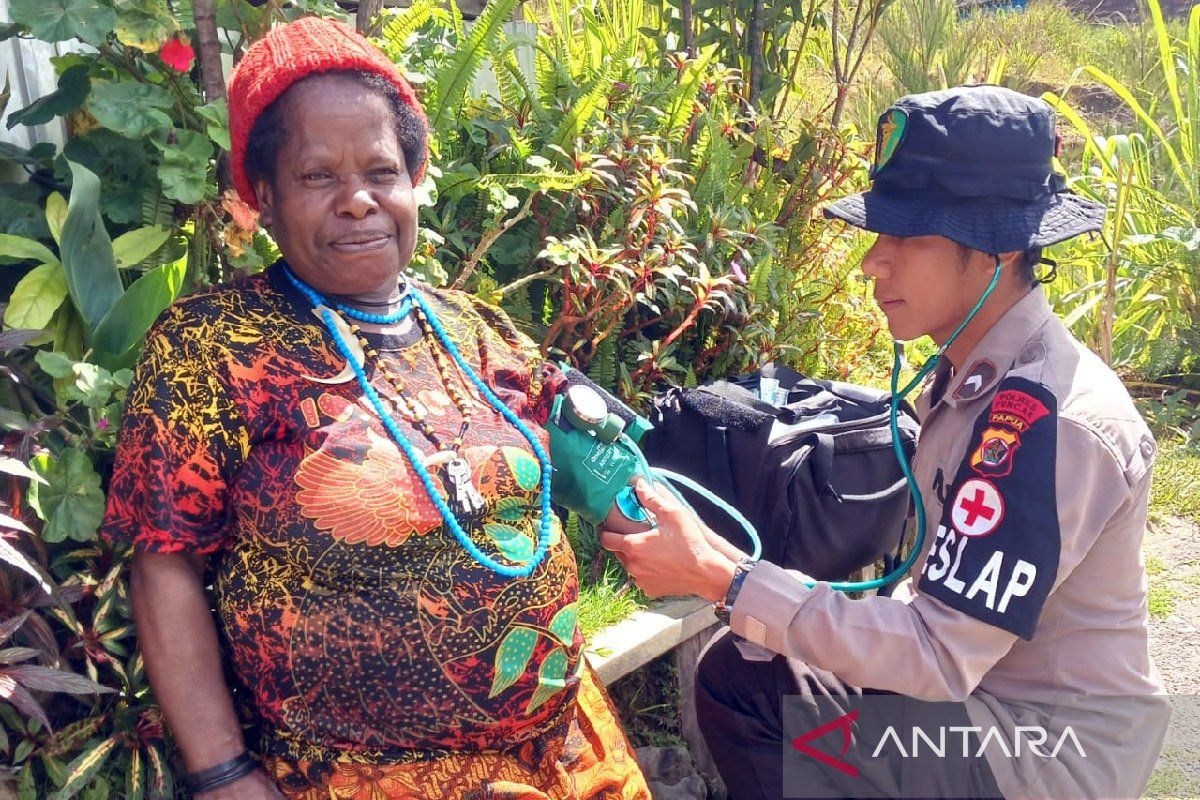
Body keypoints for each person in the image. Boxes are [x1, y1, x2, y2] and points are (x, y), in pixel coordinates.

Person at [101, 17, 649, 800]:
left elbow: (585, 451)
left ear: (415, 179)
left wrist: (642, 503)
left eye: (381, 172)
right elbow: (165, 566)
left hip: (568, 750)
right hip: (362, 778)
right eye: (318, 176)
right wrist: (222, 774)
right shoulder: (212, 348)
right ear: (264, 196)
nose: (358, 201)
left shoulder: (473, 326)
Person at [602, 86, 1169, 799]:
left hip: (1036, 749)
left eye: (906, 236)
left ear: (995, 246)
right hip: (974, 704)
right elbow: (930, 620)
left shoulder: (1045, 425)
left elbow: (936, 656)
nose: (875, 262)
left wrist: (725, 579)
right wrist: (721, 567)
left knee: (759, 696)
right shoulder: (973, 379)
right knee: (744, 670)